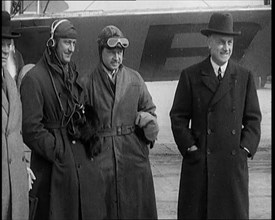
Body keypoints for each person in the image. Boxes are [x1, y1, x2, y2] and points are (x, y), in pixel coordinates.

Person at [170, 12, 261, 219]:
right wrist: (190, 148)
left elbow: (253, 120)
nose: (226, 48)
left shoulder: (245, 77)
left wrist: (244, 150)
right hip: (200, 167)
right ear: (209, 43)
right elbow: (178, 118)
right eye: (221, 42)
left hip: (231, 169)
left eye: (230, 42)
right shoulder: (190, 75)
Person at [20, 19, 106, 220]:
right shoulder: (34, 79)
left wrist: (89, 133)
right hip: (52, 171)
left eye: (74, 43)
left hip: (79, 168)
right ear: (53, 43)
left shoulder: (72, 75)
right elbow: (31, 129)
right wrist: (59, 150)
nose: (71, 49)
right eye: (67, 42)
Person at [81, 25, 159, 219]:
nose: (117, 57)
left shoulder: (135, 80)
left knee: (135, 208)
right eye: (111, 52)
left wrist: (148, 125)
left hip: (133, 156)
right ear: (101, 52)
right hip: (101, 158)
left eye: (120, 52)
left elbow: (150, 110)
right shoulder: (86, 83)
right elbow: (79, 122)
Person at [2, 10, 29, 220]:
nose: (4, 50)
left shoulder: (11, 84)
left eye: (8, 44)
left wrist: (22, 167)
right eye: (0, 43)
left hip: (14, 183)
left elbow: (15, 134)